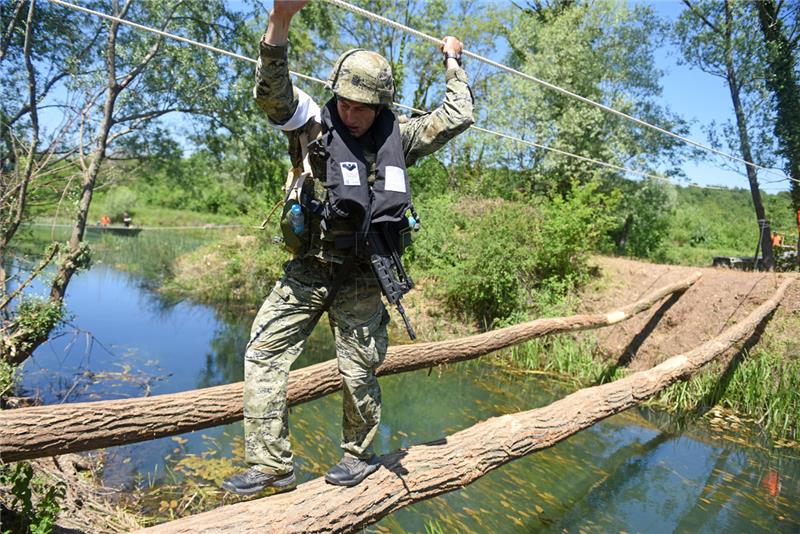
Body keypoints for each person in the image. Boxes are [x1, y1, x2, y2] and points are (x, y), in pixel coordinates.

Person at [221, 0, 474, 495]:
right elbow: (271, 95)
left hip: (364, 274)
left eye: (362, 107)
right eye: (345, 102)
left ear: (381, 105)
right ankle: (272, 465)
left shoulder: (402, 135)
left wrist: (452, 60)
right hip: (309, 269)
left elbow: (459, 113)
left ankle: (359, 455)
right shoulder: (313, 121)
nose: (351, 113)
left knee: (359, 370)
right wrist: (281, 21)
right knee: (262, 353)